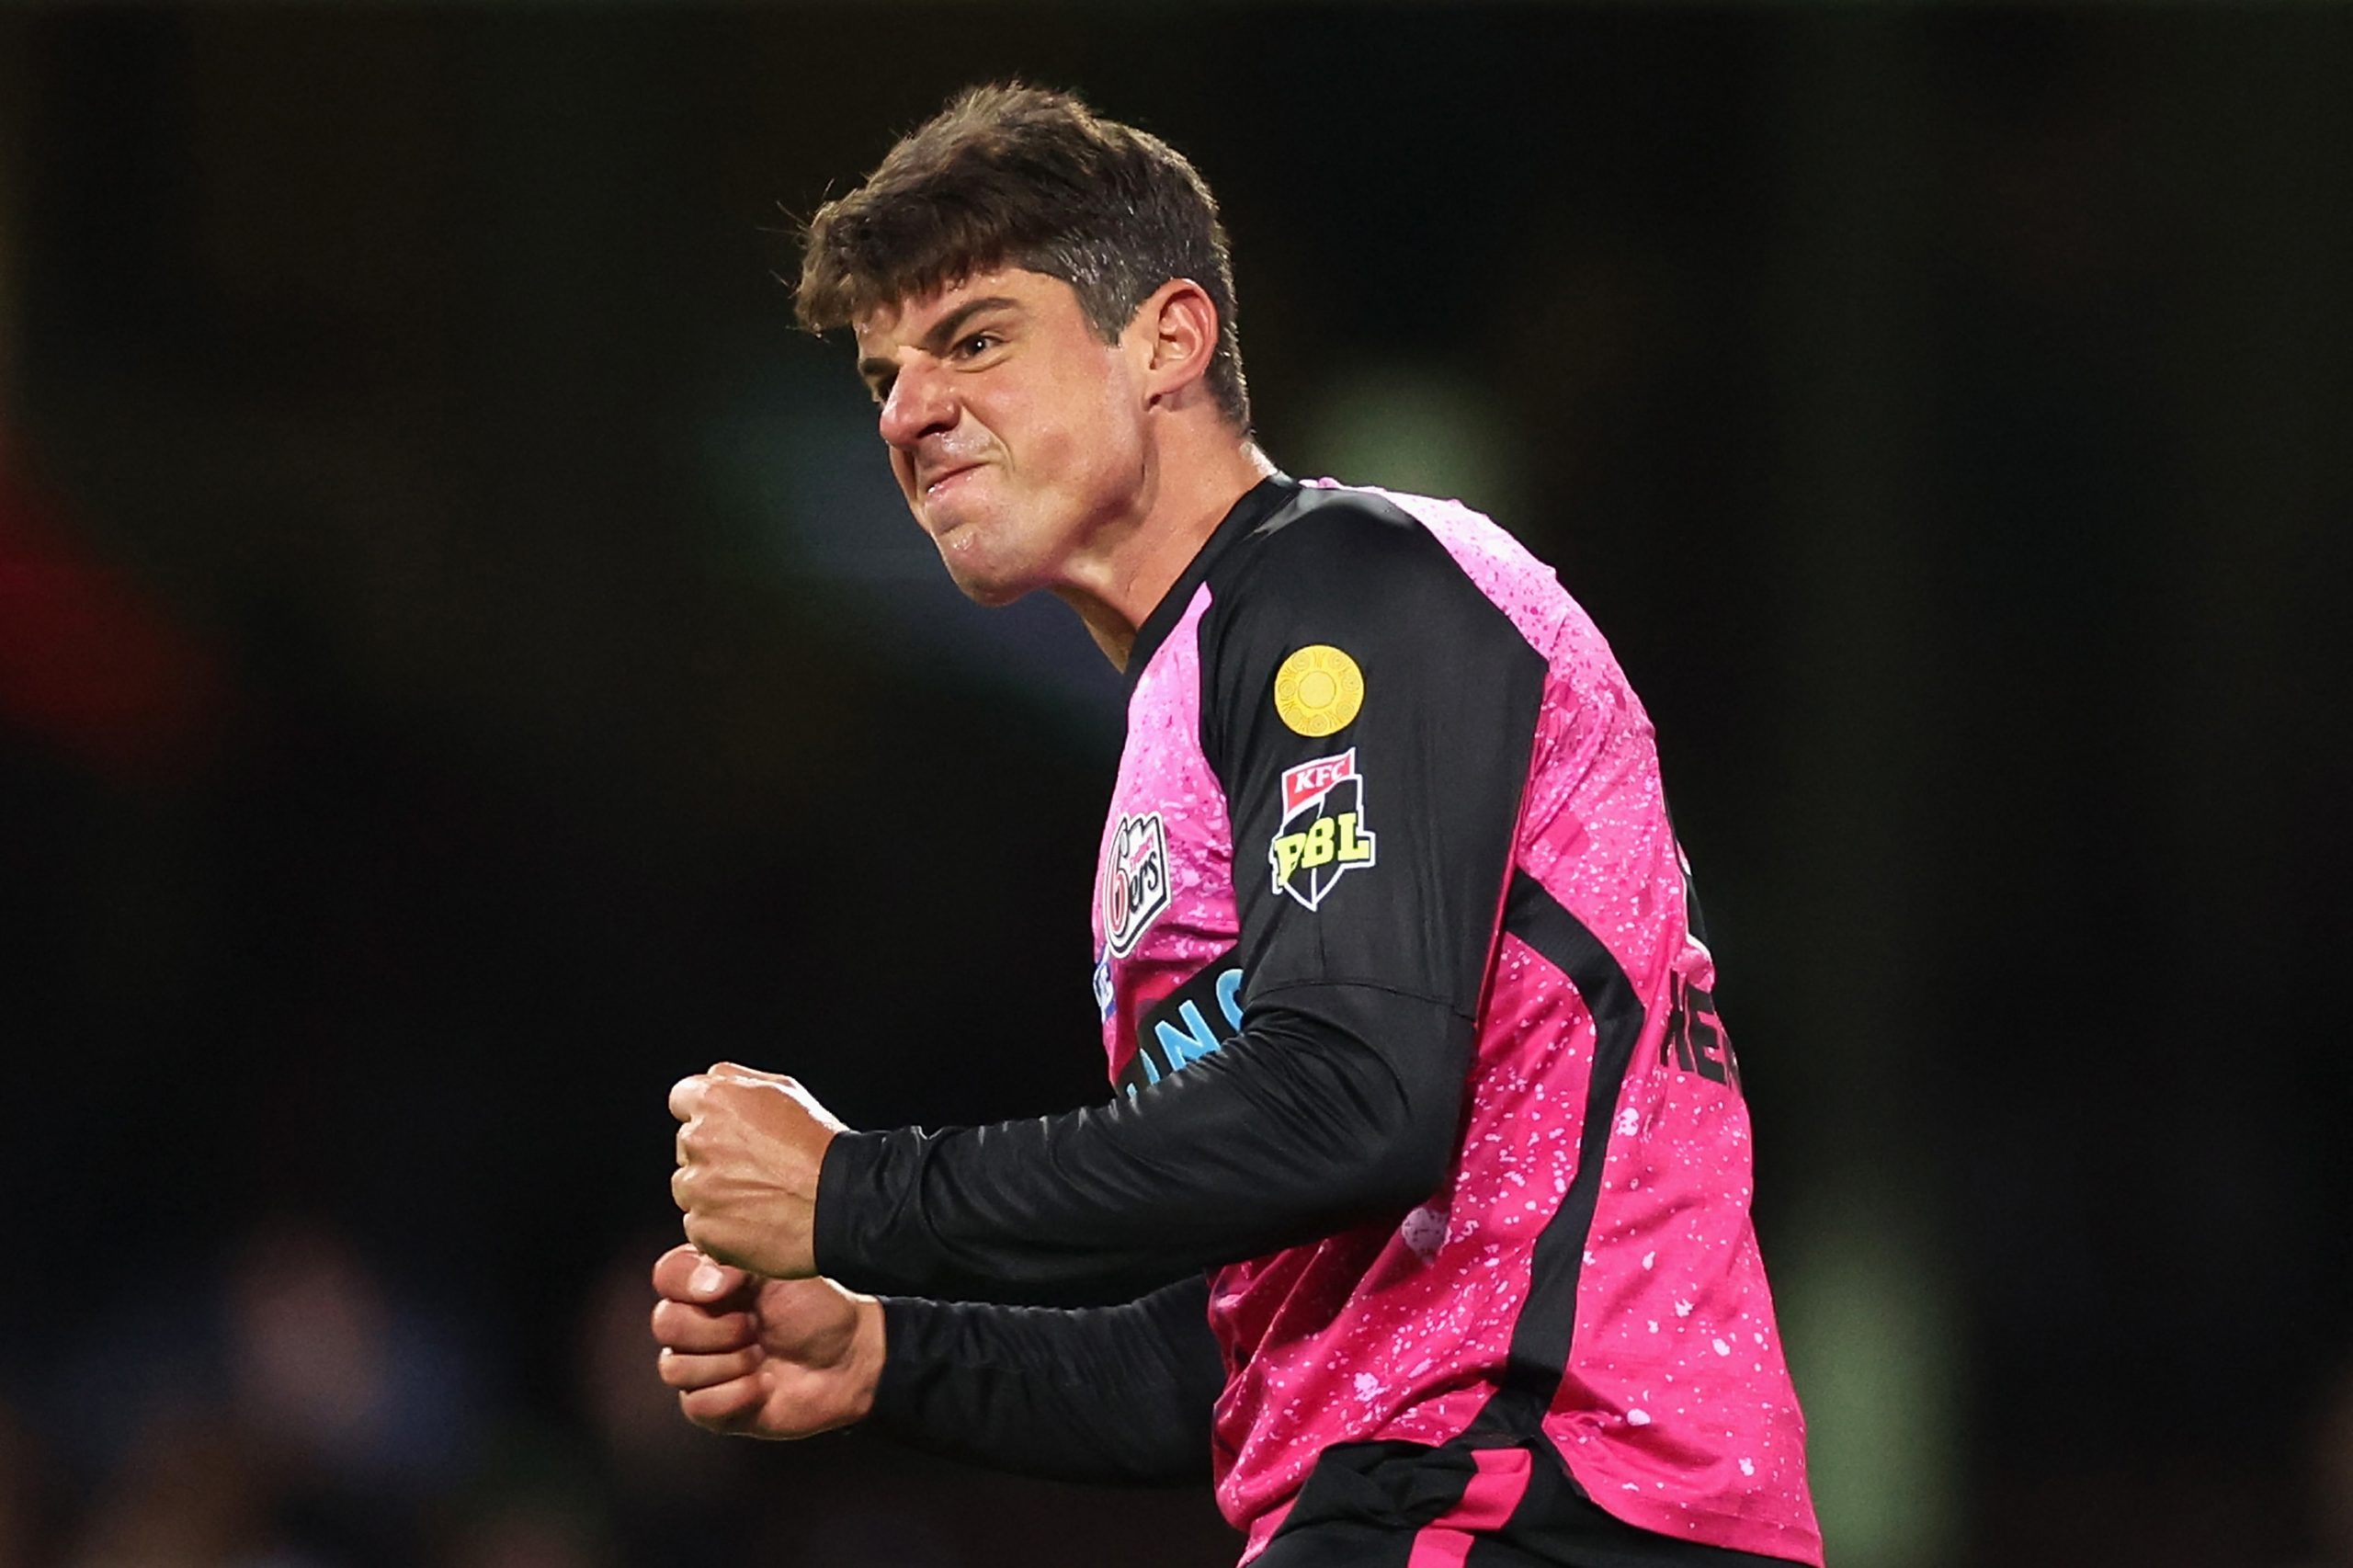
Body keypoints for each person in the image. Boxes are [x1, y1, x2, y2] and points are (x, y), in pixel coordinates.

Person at [652, 83, 1822, 1568]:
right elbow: (1257, 1349)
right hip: (1450, 1503)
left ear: (1169, 339)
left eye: (975, 340)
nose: (906, 410)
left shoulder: (1355, 585)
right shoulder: (1194, 699)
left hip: (1534, 1504)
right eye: (883, 371)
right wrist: (892, 1355)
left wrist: (857, 1194)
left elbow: (1353, 1104)